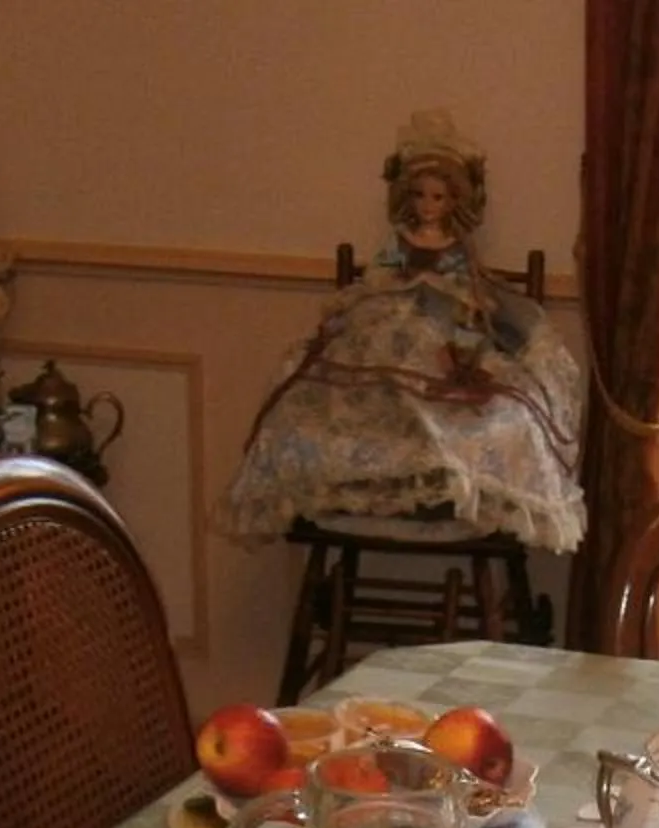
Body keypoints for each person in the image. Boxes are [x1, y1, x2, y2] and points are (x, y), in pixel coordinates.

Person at [218, 112, 585, 552]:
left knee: (458, 377)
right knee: (352, 374)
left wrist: (458, 301)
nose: (428, 206)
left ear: (454, 201)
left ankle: (443, 476)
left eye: (438, 197)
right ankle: (363, 477)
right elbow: (379, 275)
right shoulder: (401, 239)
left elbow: (468, 283)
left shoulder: (456, 246)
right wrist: (390, 285)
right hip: (392, 315)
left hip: (440, 318)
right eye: (420, 195)